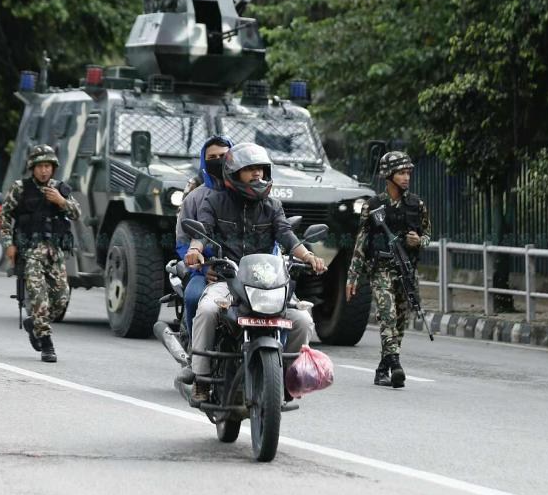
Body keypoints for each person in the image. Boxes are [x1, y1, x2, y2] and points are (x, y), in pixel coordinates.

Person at [185, 142, 325, 402]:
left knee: (303, 321)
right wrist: (195, 250)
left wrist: (309, 256)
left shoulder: (272, 205)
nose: (257, 174)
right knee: (206, 311)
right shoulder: (213, 201)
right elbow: (201, 231)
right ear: (234, 174)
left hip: (266, 282)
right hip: (229, 278)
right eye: (249, 170)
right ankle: (201, 379)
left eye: (260, 169)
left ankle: (284, 381)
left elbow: (287, 235)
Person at [346, 150, 430, 388]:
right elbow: (361, 243)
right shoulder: (373, 206)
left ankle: (382, 368)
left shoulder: (417, 205)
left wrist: (419, 241)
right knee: (388, 315)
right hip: (380, 269)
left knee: (400, 322)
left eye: (408, 173)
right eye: (401, 173)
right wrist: (352, 276)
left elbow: (428, 236)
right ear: (388, 175)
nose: (406, 178)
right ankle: (395, 365)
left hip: (406, 271)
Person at [0, 144, 80, 363]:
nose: (44, 171)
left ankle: (34, 323)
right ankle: (46, 344)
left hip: (54, 252)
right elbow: (4, 216)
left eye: (48, 166)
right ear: (32, 167)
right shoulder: (20, 188)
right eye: (40, 166)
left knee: (61, 298)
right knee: (39, 297)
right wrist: (8, 243)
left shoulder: (59, 188)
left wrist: (62, 202)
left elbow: (76, 213)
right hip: (30, 252)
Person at [174, 135, 232, 336]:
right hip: (206, 270)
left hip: (245, 271)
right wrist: (202, 266)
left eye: (223, 156)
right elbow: (183, 240)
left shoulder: (250, 193)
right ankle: (195, 350)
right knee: (193, 297)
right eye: (212, 157)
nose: (218, 161)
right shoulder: (195, 197)